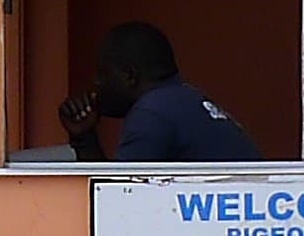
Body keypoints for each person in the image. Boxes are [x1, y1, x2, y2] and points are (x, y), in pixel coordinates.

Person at [56, 20, 261, 161]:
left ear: (129, 76)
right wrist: (85, 137)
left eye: (103, 74)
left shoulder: (152, 112)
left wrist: (85, 141)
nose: (96, 82)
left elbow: (118, 203)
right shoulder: (183, 99)